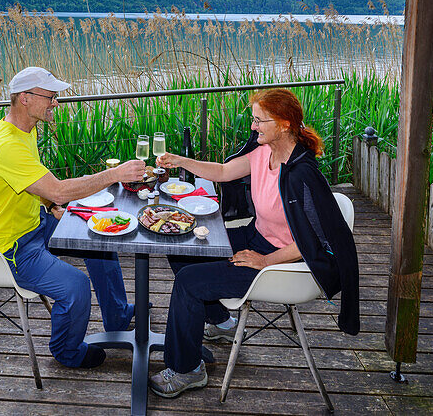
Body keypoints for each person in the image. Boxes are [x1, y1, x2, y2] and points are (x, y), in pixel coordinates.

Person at [148, 88, 360, 398]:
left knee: (189, 281)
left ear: (284, 124)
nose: (253, 127)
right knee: (182, 245)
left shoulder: (303, 174)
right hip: (256, 237)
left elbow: (316, 241)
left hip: (284, 262)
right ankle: (220, 321)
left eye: (260, 121)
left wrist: (265, 261)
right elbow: (222, 172)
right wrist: (179, 160)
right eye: (254, 119)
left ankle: (187, 369)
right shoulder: (264, 153)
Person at [0, 66, 148, 369]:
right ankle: (68, 351)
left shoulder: (24, 132)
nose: (56, 103)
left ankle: (118, 315)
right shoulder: (7, 145)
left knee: (100, 234)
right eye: (51, 97)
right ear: (25, 98)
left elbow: (39, 186)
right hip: (10, 248)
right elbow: (57, 190)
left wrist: (52, 203)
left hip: (36, 225)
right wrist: (114, 175)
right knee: (76, 286)